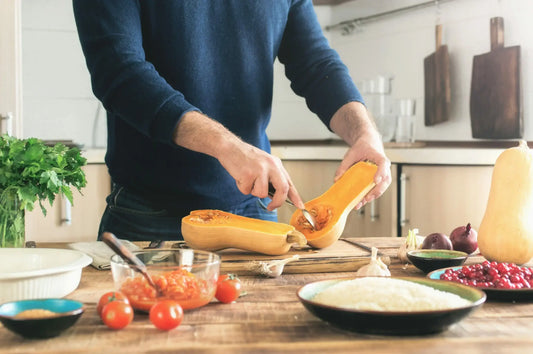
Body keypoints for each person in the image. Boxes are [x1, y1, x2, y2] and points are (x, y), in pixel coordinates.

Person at [72, 0, 391, 242]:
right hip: (148, 214)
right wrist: (227, 146)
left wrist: (363, 133)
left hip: (256, 208)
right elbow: (119, 72)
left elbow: (315, 63)